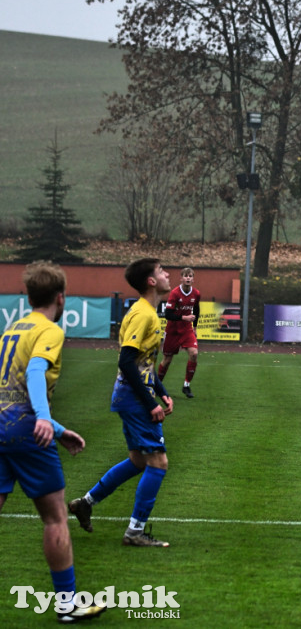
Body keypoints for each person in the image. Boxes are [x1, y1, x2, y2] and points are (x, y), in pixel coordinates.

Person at [0, 261, 106, 622]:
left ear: (28, 296)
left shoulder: (12, 328)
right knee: (55, 517)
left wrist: (58, 430)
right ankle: (67, 604)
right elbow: (33, 373)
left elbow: (8, 392)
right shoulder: (49, 331)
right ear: (61, 298)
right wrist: (44, 419)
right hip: (23, 430)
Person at [68, 258, 176, 547]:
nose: (168, 274)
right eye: (162, 271)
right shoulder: (143, 314)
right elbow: (126, 361)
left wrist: (161, 391)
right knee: (158, 461)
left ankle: (86, 502)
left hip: (130, 396)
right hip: (133, 398)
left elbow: (143, 363)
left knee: (138, 460)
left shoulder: (145, 311)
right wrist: (149, 402)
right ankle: (135, 532)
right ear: (151, 281)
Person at [157, 267, 200, 399]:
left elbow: (196, 310)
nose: (188, 278)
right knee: (167, 360)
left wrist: (195, 327)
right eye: (185, 276)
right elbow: (168, 315)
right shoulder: (175, 293)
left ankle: (186, 385)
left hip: (186, 329)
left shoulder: (196, 293)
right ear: (181, 278)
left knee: (194, 353)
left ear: (193, 279)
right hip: (173, 329)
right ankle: (156, 386)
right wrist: (184, 318)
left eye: (190, 276)